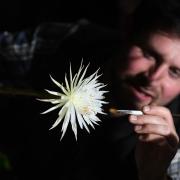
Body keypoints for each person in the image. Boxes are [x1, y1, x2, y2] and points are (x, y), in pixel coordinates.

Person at [0, 0, 180, 179]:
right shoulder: (67, 41)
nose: (153, 79)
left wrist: (153, 175)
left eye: (175, 72)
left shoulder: (172, 151)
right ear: (126, 29)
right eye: (149, 54)